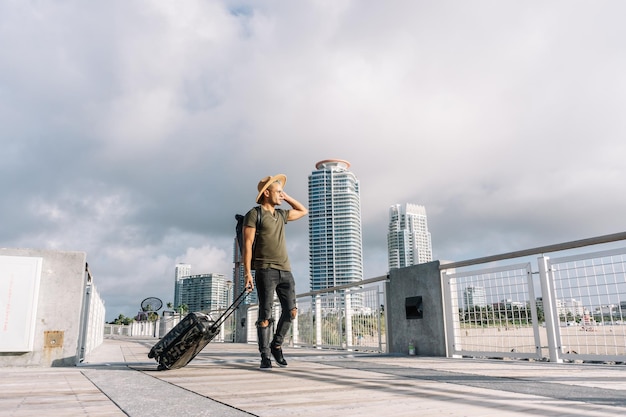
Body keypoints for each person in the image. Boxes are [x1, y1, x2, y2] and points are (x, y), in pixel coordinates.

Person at [242, 174, 308, 369]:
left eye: (282, 192)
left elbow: (303, 210)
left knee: (291, 311)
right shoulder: (254, 214)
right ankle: (265, 356)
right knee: (265, 314)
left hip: (285, 270)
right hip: (265, 270)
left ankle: (276, 344)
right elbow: (247, 245)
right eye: (278, 192)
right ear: (267, 193)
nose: (281, 194)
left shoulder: (281, 215)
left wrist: (286, 197)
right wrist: (247, 273)